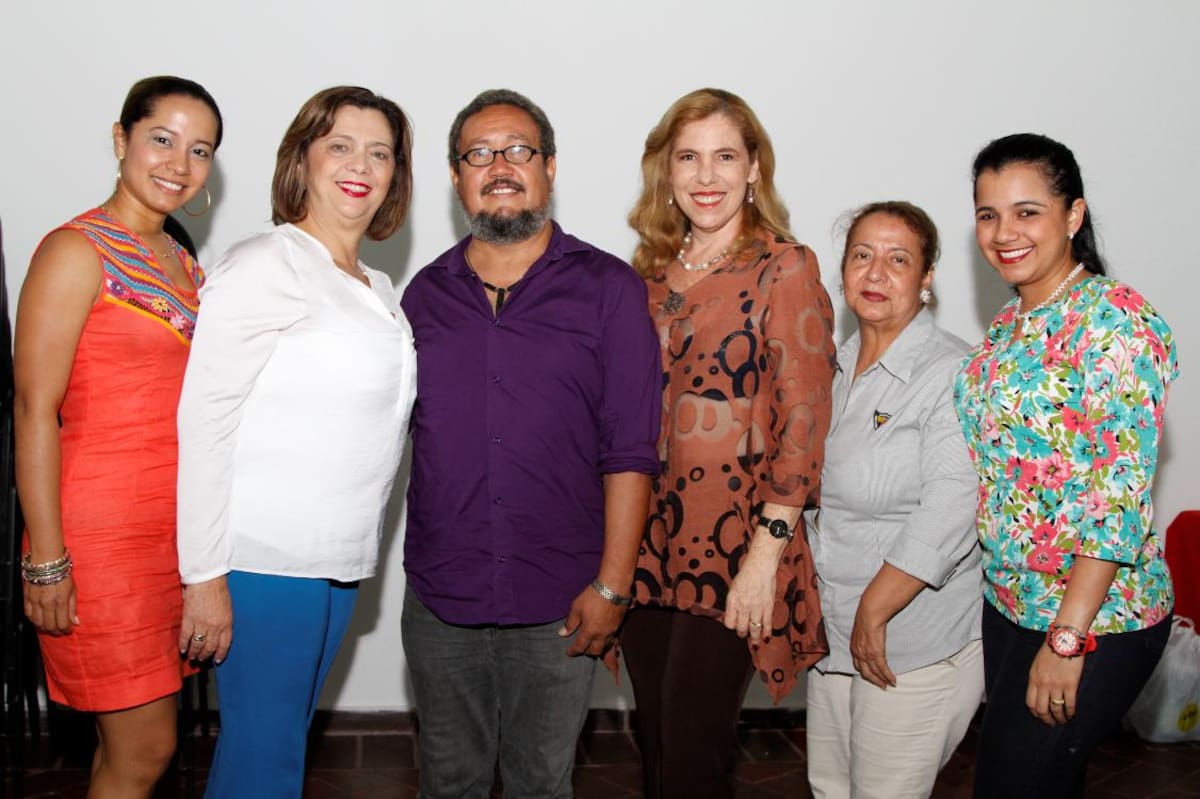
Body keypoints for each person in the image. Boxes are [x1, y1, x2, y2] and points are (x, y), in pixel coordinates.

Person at [400, 88, 661, 797]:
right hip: (441, 596)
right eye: (479, 154)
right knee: (446, 781)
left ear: (549, 167)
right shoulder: (422, 297)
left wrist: (612, 584)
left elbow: (632, 449)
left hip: (563, 599)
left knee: (542, 783)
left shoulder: (609, 290)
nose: (500, 166)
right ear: (456, 178)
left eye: (519, 150)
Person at [175, 86, 416, 797]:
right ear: (302, 158)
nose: (360, 165)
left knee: (269, 752)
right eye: (340, 145)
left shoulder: (376, 284)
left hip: (335, 563)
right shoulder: (265, 265)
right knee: (266, 764)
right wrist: (205, 576)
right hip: (263, 563)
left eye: (380, 152)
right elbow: (205, 425)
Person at [620, 88, 836, 798]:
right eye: (689, 157)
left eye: (724, 156)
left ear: (753, 170)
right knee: (653, 743)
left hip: (737, 546)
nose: (706, 175)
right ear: (666, 170)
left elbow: (804, 425)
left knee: (692, 755)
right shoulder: (646, 274)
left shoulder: (785, 268)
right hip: (647, 542)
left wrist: (764, 559)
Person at [14, 75, 222, 797]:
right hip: (99, 540)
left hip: (169, 535)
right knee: (145, 750)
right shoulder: (75, 251)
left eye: (199, 150)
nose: (178, 163)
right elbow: (34, 409)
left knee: (132, 753)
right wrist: (47, 559)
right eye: (161, 139)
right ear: (120, 140)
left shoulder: (185, 263)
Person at [955, 133, 1177, 797]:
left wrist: (1066, 639)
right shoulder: (1007, 326)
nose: (1003, 232)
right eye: (988, 214)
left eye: (1027, 211)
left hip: (1096, 615)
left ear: (1073, 216)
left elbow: (1116, 495)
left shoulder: (1112, 318)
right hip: (1012, 603)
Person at [804, 202, 983, 799]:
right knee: (830, 787)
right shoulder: (833, 366)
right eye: (862, 256)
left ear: (927, 275)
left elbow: (951, 509)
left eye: (897, 259)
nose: (875, 273)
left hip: (908, 638)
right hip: (835, 625)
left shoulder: (952, 372)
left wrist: (874, 611)